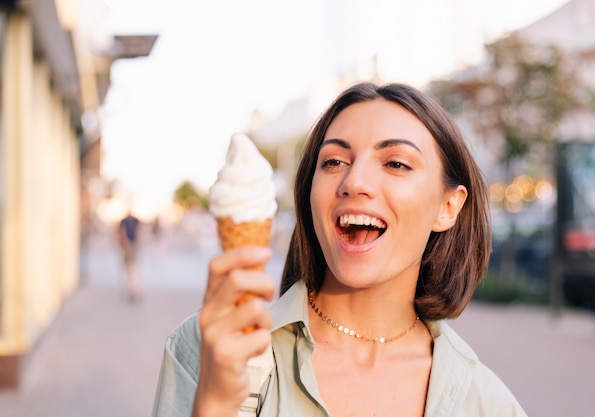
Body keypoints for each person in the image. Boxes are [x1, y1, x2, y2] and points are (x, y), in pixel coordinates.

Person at [151, 82, 528, 417]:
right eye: (333, 161)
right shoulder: (208, 349)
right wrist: (214, 405)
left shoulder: (488, 404)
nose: (355, 181)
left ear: (448, 207)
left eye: (396, 163)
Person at [117, 210, 142, 302]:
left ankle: (132, 289)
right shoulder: (124, 221)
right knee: (128, 268)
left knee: (132, 268)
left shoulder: (135, 220)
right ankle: (130, 289)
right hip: (127, 246)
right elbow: (120, 232)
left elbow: (138, 232)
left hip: (132, 246)